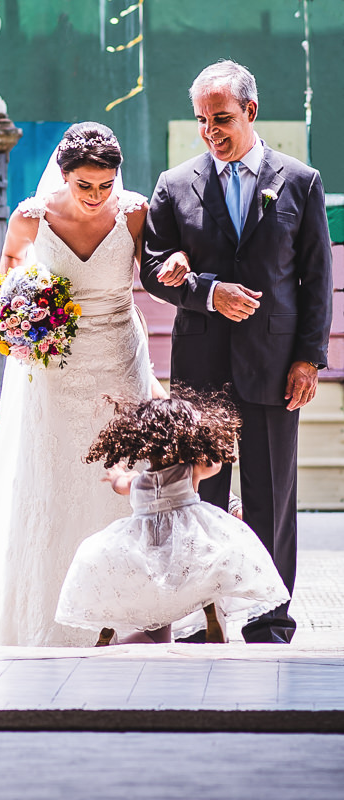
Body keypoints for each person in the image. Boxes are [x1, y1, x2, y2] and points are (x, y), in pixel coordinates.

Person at [0, 122, 169, 647]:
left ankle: (136, 613)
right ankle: (49, 614)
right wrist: (25, 305)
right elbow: (8, 274)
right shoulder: (32, 216)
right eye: (84, 186)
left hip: (120, 357)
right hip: (55, 367)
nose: (95, 197)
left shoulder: (134, 212)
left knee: (124, 477)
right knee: (55, 476)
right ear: (63, 177)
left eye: (104, 185)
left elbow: (154, 272)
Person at [141, 60, 333, 643]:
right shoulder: (175, 185)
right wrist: (205, 291)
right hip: (201, 367)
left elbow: (315, 278)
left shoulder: (300, 181)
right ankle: (209, 616)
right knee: (200, 495)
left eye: (220, 118)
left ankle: (271, 617)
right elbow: (153, 269)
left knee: (272, 495)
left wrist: (309, 359)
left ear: (250, 111)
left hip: (277, 365)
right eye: (202, 120)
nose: (210, 130)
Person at [55, 394, 290, 646]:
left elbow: (118, 485)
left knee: (158, 632)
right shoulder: (191, 469)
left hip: (146, 550)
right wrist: (219, 439)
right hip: (185, 544)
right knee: (211, 570)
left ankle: (109, 629)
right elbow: (216, 465)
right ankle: (209, 607)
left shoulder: (138, 481)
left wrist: (117, 473)